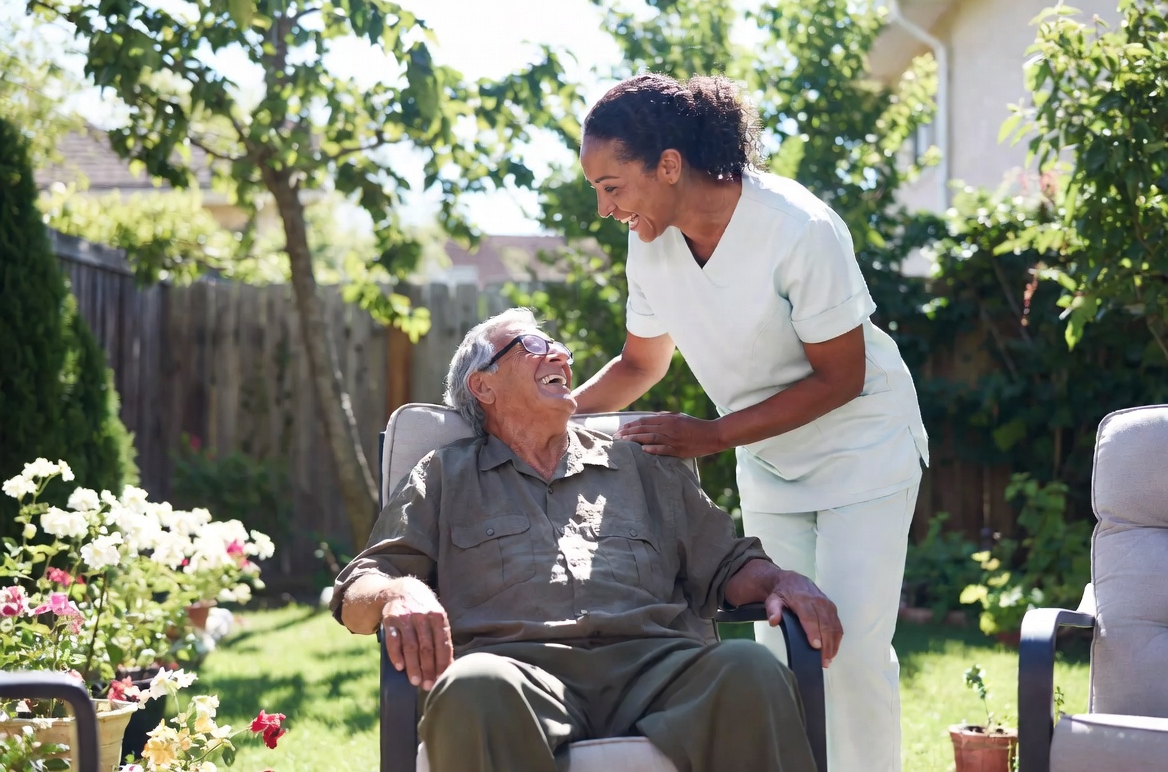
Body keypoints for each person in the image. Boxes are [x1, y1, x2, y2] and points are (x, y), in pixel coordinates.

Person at [572, 73, 930, 772]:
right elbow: (640, 364)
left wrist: (708, 436)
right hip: (768, 461)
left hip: (864, 449)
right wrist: (553, 411)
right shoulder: (650, 241)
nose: (605, 207)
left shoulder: (799, 229)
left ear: (668, 165)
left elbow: (843, 377)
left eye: (612, 185)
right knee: (786, 651)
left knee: (850, 651)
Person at [331, 307, 843, 772]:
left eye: (559, 348)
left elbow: (727, 564)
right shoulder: (444, 476)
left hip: (657, 669)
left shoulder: (639, 461)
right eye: (532, 346)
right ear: (483, 387)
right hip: (518, 674)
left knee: (750, 668)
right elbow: (360, 587)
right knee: (472, 687)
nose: (559, 355)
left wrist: (780, 579)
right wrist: (396, 593)